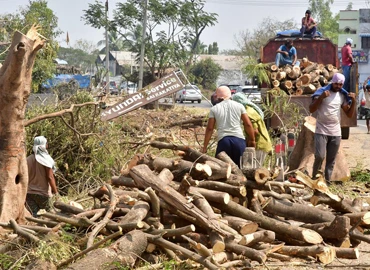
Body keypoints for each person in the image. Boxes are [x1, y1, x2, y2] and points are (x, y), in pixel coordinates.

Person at [309, 73, 356, 184]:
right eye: (336, 84)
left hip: (335, 132)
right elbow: (311, 109)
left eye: (340, 85)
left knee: (331, 160)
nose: (338, 86)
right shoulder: (322, 93)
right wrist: (321, 98)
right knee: (320, 156)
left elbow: (349, 114)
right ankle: (314, 178)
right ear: (332, 82)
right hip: (321, 129)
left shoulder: (342, 96)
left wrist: (353, 101)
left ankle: (327, 182)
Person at [202, 86, 256, 167]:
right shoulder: (239, 106)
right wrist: (252, 140)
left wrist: (205, 147)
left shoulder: (214, 109)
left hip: (224, 142)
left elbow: (210, 129)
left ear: (217, 96)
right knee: (241, 169)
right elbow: (248, 124)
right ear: (230, 95)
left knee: (223, 170)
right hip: (239, 141)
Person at [232, 92, 272, 165]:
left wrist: (250, 142)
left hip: (259, 144)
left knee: (254, 169)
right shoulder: (250, 109)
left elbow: (254, 131)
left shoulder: (248, 112)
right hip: (261, 144)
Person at [26, 136, 58, 217]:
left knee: (33, 216)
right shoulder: (45, 160)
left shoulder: (27, 159)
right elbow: (50, 177)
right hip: (43, 194)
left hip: (29, 193)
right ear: (44, 145)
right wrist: (55, 192)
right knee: (53, 215)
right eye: (46, 143)